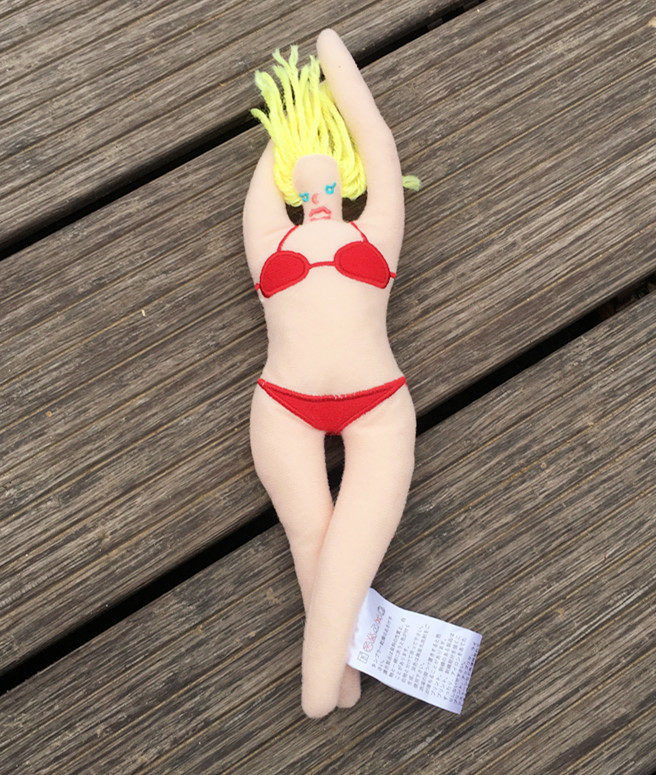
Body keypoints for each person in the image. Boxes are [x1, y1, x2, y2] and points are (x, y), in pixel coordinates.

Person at [243, 28, 417, 718]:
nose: (318, 193)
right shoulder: (268, 237)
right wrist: (294, 119)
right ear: (291, 184)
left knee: (350, 550)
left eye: (328, 182)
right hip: (282, 402)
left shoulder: (376, 232)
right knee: (311, 538)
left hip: (379, 402)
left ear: (346, 182)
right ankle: (335, 682)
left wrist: (334, 76)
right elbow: (264, 183)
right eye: (304, 183)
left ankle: (328, 685)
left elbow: (380, 144)